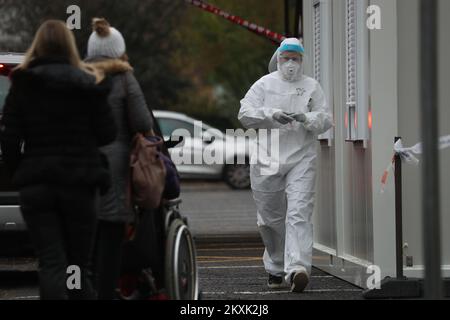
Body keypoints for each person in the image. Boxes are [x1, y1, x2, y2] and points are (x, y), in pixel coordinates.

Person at [0, 20, 117, 299]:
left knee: (51, 262)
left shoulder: (23, 83)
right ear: (70, 45)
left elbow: (10, 138)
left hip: (38, 183)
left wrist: (19, 172)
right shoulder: (89, 83)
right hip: (80, 182)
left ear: (37, 45)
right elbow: (106, 134)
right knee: (79, 266)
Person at [238, 38, 333, 293]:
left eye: (296, 58)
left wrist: (306, 117)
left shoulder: (312, 86)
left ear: (302, 60)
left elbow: (325, 119)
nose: (291, 63)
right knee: (270, 219)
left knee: (299, 213)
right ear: (277, 58)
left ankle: (297, 269)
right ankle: (276, 266)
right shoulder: (264, 85)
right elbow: (245, 113)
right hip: (267, 159)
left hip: (302, 158)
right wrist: (271, 115)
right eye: (286, 57)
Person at [85, 18, 154, 300]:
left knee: (87, 237)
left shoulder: (79, 75)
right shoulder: (124, 78)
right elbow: (141, 120)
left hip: (81, 165)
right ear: (119, 50)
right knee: (112, 237)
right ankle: (107, 292)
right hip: (115, 167)